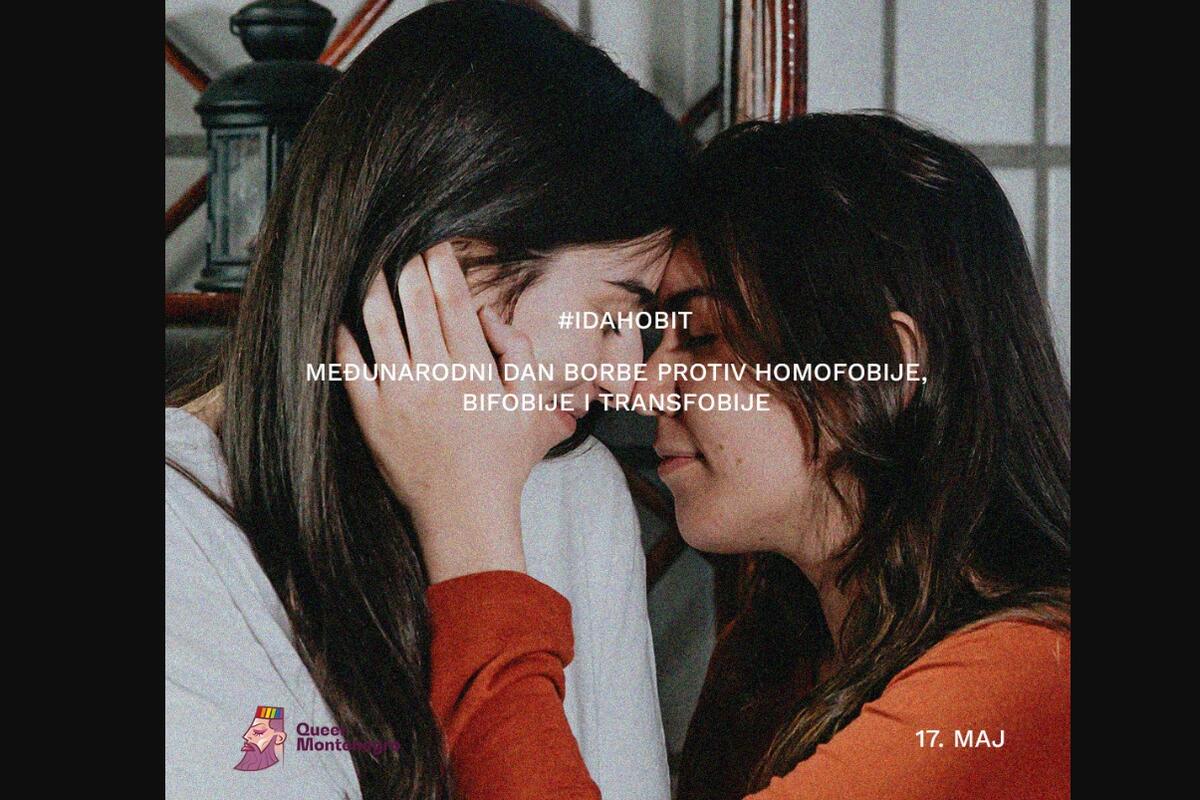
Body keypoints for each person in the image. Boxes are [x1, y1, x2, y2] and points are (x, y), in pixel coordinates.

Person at [350, 113, 1071, 800]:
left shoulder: (1032, 679)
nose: (642, 388)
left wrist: (468, 526)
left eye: (698, 337)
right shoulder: (776, 653)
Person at [165, 2, 687, 798]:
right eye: (613, 317)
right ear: (453, 269)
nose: (626, 381)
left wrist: (472, 526)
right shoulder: (178, 525)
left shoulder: (572, 489)